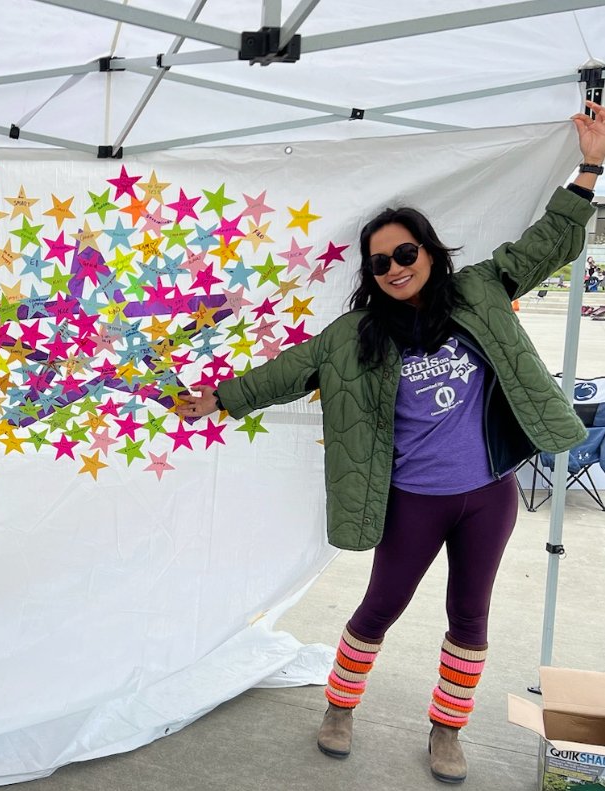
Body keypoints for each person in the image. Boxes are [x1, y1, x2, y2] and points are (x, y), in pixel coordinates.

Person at [180, 102, 605, 784]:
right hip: (413, 499)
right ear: (370, 273)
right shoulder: (353, 335)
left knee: (469, 615)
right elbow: (284, 373)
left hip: (487, 493)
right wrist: (216, 397)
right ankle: (340, 707)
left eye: (405, 253)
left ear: (430, 252)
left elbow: (548, 241)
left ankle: (446, 729)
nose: (394, 267)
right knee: (378, 607)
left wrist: (589, 163)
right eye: (379, 262)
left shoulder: (479, 291)